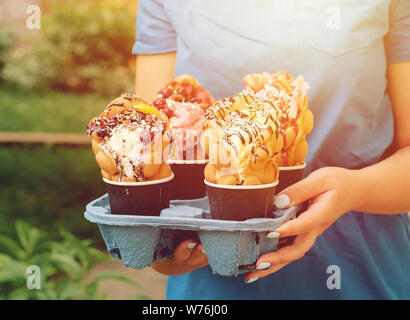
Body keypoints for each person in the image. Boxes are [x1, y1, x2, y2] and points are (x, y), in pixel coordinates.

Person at [132, 0, 410, 299]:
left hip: (362, 274)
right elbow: (149, 163)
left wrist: (355, 190)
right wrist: (164, 250)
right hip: (212, 288)